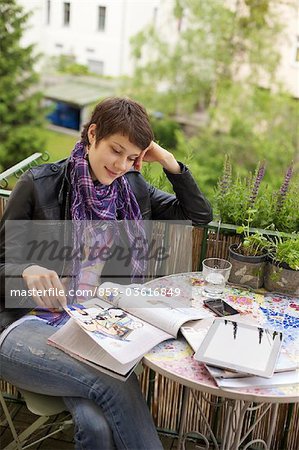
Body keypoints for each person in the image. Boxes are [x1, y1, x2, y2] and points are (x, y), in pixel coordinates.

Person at [0, 97, 212, 449]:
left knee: (96, 426)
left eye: (132, 157)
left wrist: (169, 162)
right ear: (92, 134)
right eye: (116, 150)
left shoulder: (131, 189)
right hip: (22, 326)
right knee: (114, 382)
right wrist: (27, 270)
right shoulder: (38, 185)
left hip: (93, 328)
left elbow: (197, 216)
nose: (121, 165)